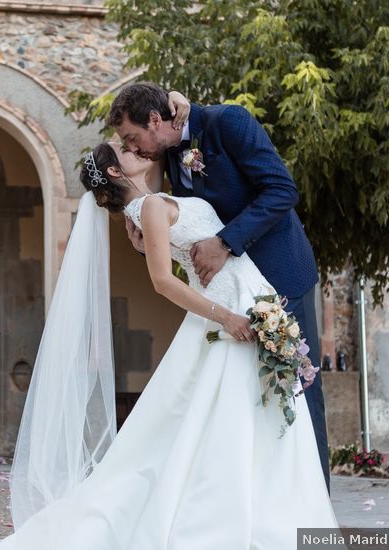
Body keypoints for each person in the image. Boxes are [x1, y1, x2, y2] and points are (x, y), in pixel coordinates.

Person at [0, 141, 339, 550]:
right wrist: (227, 317)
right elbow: (163, 282)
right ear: (115, 172)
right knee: (236, 419)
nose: (136, 149)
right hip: (230, 317)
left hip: (250, 304)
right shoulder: (148, 210)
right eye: (125, 150)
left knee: (251, 416)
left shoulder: (153, 204)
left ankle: (263, 516)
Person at [110, 83, 330, 489]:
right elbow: (191, 225)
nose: (134, 148)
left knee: (298, 392)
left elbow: (282, 190)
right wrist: (146, 245)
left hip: (280, 278)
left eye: (132, 138)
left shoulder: (228, 121)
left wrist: (226, 242)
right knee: (250, 401)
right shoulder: (172, 154)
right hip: (232, 294)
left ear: (155, 120)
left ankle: (316, 509)